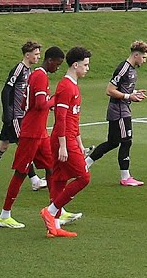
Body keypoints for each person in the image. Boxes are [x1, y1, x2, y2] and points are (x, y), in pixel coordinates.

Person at [0, 46, 66, 229]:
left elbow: (25, 102)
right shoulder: (40, 76)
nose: (57, 68)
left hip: (40, 132)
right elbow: (42, 104)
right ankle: (5, 215)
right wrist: (56, 100)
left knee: (51, 168)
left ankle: (56, 210)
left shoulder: (35, 75)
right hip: (31, 133)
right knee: (21, 172)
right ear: (50, 60)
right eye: (57, 64)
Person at [0, 41, 48, 192]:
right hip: (15, 116)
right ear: (27, 55)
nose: (38, 57)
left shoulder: (30, 71)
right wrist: (8, 112)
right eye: (36, 54)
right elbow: (6, 91)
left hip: (20, 115)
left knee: (2, 147)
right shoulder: (19, 69)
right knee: (25, 146)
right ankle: (35, 180)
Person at [41, 46, 92, 238]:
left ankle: (53, 227)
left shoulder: (73, 85)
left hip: (70, 137)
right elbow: (60, 118)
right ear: (76, 64)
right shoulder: (65, 86)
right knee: (84, 178)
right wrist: (64, 145)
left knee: (60, 178)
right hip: (63, 138)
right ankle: (52, 211)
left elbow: (73, 118)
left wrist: (79, 141)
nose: (87, 68)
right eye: (85, 65)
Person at [86, 41, 147, 186]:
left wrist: (133, 93)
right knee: (126, 141)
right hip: (119, 111)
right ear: (136, 55)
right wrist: (129, 97)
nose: (145, 61)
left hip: (123, 109)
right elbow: (109, 90)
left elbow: (122, 89)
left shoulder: (132, 69)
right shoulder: (123, 69)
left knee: (113, 142)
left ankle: (86, 163)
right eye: (144, 57)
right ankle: (125, 177)